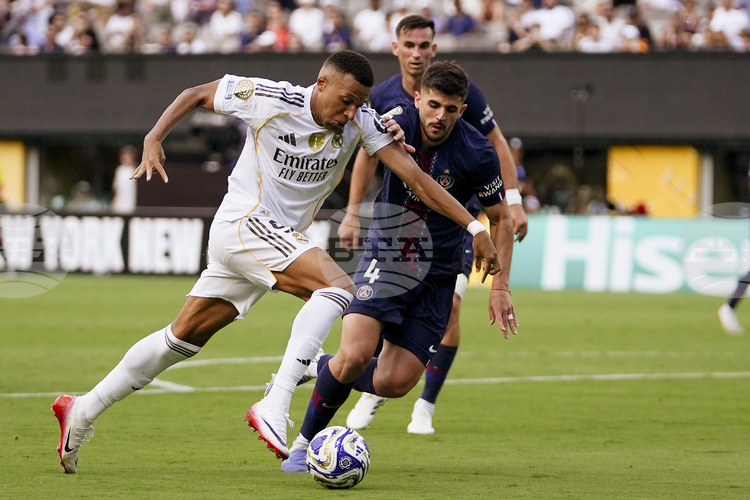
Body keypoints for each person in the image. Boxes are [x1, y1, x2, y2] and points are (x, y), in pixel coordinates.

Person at [51, 50, 499, 474]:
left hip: (269, 243)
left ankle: (83, 409)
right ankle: (276, 400)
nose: (350, 112)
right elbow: (196, 94)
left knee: (180, 339)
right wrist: (153, 137)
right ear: (321, 83)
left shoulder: (362, 122)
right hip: (244, 223)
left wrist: (474, 227)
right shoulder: (270, 98)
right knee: (339, 288)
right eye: (345, 100)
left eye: (359, 103)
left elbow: (417, 179)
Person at [280, 61, 517, 472]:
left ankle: (319, 365)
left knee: (395, 382)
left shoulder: (478, 153)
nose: (439, 116)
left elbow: (502, 219)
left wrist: (500, 287)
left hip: (438, 275)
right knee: (356, 355)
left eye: (451, 109)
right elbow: (370, 130)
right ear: (418, 99)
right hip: (388, 255)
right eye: (433, 105)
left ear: (462, 110)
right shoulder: (398, 121)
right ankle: (302, 446)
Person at [339, 14, 527, 435]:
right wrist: (352, 210)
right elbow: (367, 155)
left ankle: (424, 404)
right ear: (396, 48)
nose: (417, 53)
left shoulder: (462, 91)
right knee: (374, 326)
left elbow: (496, 144)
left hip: (454, 230)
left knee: (453, 308)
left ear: (434, 49)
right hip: (397, 234)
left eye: (425, 45)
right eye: (410, 45)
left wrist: (512, 201)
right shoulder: (384, 96)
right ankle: (369, 379)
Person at [110, 145, 138, 214]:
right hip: (120, 205)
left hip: (132, 205)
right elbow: (117, 189)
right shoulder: (120, 170)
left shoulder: (136, 170)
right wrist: (114, 203)